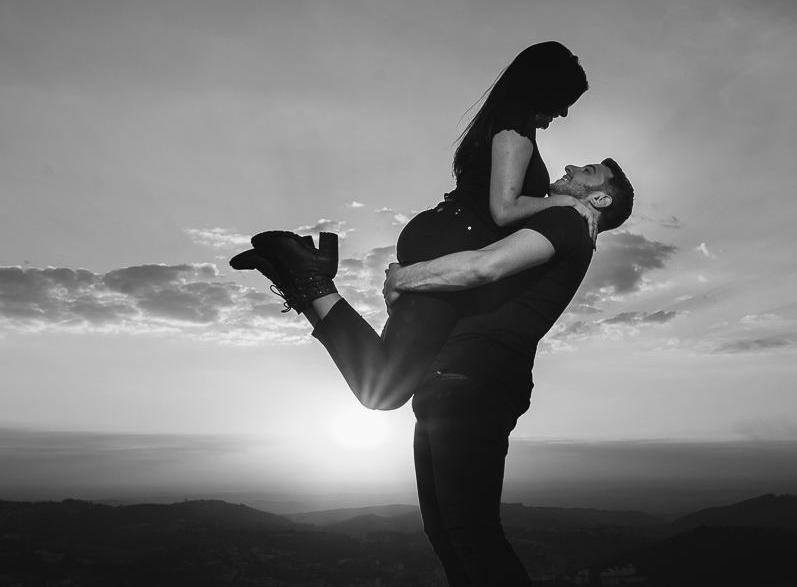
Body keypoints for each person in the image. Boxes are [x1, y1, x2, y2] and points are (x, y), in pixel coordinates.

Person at [239, 159, 635, 586]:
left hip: (474, 385)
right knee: (447, 533)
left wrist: (403, 278)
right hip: (453, 383)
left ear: (599, 198)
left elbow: (481, 267)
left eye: (590, 171)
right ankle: (306, 279)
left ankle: (309, 278)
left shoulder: (568, 223)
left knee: (472, 536)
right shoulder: (563, 218)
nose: (574, 165)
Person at [234, 41, 589, 410]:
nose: (563, 113)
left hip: (446, 236)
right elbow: (503, 208)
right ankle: (306, 272)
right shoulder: (516, 120)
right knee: (385, 388)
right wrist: (564, 202)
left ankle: (299, 277)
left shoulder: (503, 117)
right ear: (546, 87)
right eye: (565, 100)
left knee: (385, 384)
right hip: (451, 242)